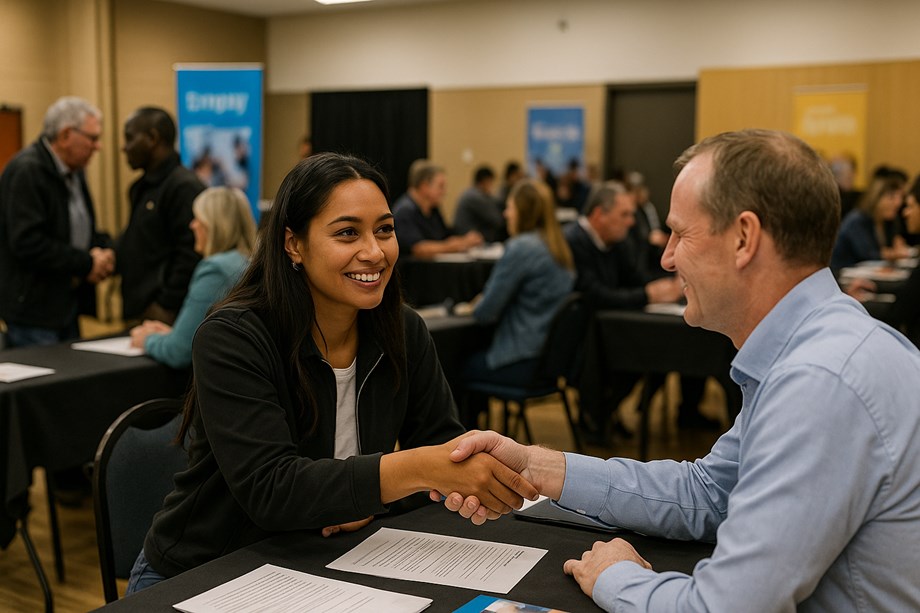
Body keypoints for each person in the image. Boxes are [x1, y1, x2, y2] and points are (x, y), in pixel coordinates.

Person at [439, 130, 920, 611]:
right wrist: (538, 466)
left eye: (681, 234)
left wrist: (615, 576)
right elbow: (709, 494)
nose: (667, 257)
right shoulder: (818, 351)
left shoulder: (820, 382)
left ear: (744, 238)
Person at [126, 153, 537, 593]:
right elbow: (272, 490)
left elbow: (444, 455)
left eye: (385, 230)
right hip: (208, 571)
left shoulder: (402, 330)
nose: (374, 252)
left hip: (327, 563)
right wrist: (403, 474)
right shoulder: (233, 337)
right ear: (293, 244)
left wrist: (372, 497)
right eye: (347, 233)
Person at [0, 96, 114, 347]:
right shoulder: (27, 171)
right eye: (92, 138)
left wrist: (103, 251)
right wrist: (86, 262)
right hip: (34, 312)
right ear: (65, 136)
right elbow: (28, 242)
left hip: (67, 305)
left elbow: (78, 229)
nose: (98, 146)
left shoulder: (75, 171)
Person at [460, 179, 575, 428]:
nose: (505, 214)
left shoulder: (522, 248)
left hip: (519, 359)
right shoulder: (559, 247)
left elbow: (485, 313)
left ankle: (460, 442)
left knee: (451, 367)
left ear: (524, 211)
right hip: (547, 363)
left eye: (510, 207)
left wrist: (476, 303)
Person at [129, 187, 257, 369]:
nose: (192, 225)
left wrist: (147, 340)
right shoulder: (248, 263)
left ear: (213, 224)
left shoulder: (215, 270)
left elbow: (179, 352)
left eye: (198, 218)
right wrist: (174, 335)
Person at [117, 107, 205, 326]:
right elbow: (139, 241)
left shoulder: (183, 187)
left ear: (153, 138)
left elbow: (190, 253)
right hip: (138, 309)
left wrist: (166, 304)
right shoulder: (140, 188)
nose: (124, 147)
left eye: (129, 138)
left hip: (163, 314)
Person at [391, 159, 483, 257]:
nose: (444, 192)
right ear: (424, 186)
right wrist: (452, 246)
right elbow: (418, 248)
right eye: (441, 186)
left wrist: (465, 240)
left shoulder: (433, 209)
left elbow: (445, 237)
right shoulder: (405, 211)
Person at [830, 173, 908, 270]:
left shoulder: (888, 222)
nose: (898, 203)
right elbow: (867, 255)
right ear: (876, 197)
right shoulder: (857, 220)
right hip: (843, 272)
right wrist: (892, 254)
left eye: (901, 197)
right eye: (891, 197)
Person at [453, 164, 506, 243]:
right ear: (486, 181)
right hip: (468, 239)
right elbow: (497, 219)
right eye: (491, 182)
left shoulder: (471, 192)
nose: (492, 186)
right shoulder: (475, 197)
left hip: (468, 236)